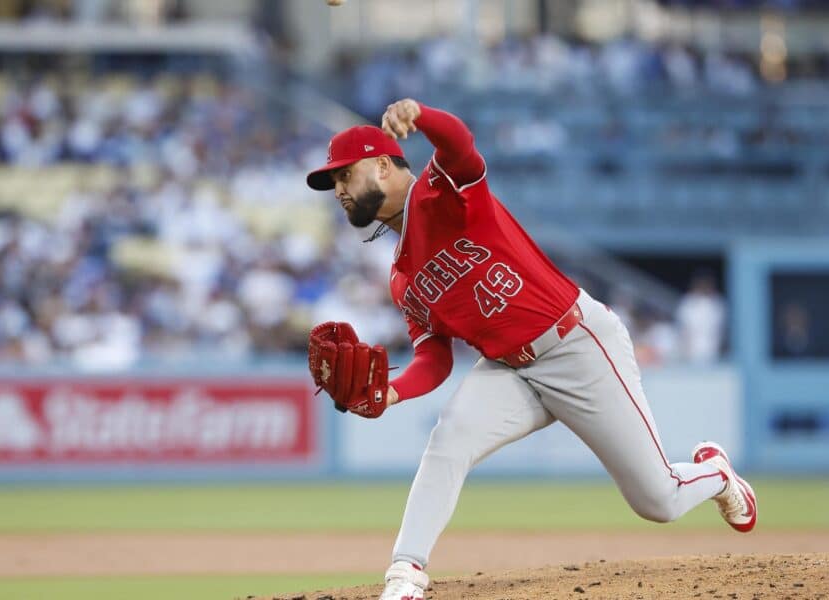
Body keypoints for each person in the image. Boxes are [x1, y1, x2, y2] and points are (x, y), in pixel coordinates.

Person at [305, 99, 757, 600]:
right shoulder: (401, 277)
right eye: (334, 183)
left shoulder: (441, 190)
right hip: (508, 370)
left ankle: (715, 473)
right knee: (449, 439)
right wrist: (389, 393)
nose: (339, 190)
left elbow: (460, 144)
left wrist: (421, 115)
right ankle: (406, 574)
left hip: (575, 345)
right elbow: (434, 359)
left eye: (345, 175)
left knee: (658, 501)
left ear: (385, 164)